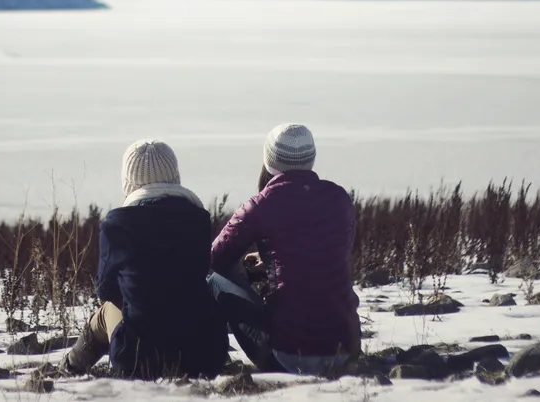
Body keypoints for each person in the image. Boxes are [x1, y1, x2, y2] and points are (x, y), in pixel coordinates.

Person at [60, 140, 229, 379]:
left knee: (104, 312)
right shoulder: (198, 219)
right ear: (175, 176)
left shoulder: (116, 224)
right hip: (203, 356)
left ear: (128, 181)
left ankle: (69, 367)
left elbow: (105, 290)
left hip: (137, 359)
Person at [209, 123, 360, 376]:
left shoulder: (261, 204)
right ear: (311, 158)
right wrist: (268, 259)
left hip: (287, 356)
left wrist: (254, 270)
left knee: (215, 280)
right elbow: (331, 251)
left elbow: (215, 258)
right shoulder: (339, 198)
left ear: (270, 160)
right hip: (346, 350)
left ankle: (211, 358)